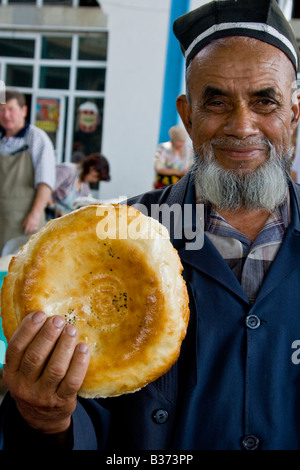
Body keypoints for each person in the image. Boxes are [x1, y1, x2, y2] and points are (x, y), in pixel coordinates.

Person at [1, 0, 300, 451]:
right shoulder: (115, 235)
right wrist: (46, 421)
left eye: (265, 101)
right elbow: (84, 419)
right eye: (216, 101)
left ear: (294, 116)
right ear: (187, 116)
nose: (242, 125)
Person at [0, 89, 55, 253]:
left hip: (25, 222)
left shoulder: (37, 139)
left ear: (24, 111)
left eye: (11, 109)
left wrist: (35, 214)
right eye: (2, 110)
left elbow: (46, 182)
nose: (6, 115)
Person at [50, 153, 110, 217]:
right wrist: (54, 208)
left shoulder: (85, 187)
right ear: (92, 168)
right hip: (48, 216)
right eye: (96, 177)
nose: (95, 180)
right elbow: (45, 190)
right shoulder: (68, 169)